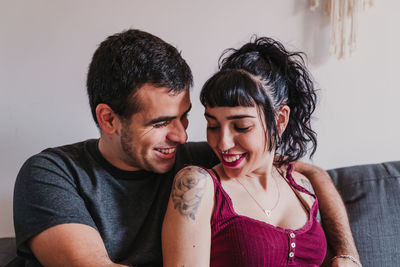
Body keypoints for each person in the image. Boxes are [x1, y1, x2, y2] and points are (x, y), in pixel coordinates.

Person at [12, 29, 358, 267]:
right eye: (161, 122)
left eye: (186, 117)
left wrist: (346, 252)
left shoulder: (197, 158)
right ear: (109, 119)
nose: (180, 135)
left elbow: (307, 171)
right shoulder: (53, 174)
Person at [162, 37, 359, 266]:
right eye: (213, 126)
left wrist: (347, 256)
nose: (223, 143)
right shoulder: (197, 185)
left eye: (241, 126)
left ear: (280, 119)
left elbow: (317, 175)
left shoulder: (301, 186)